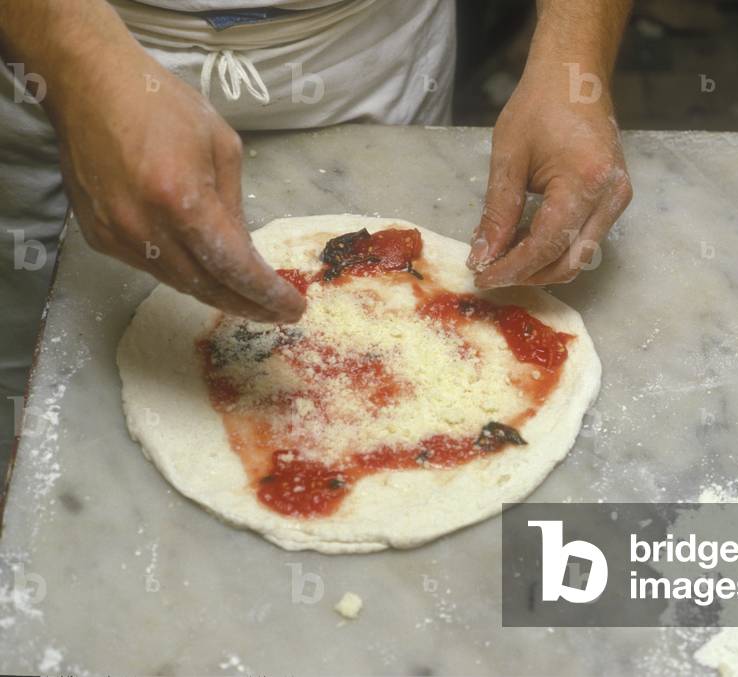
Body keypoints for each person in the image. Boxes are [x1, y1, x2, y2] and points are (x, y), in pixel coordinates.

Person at [0, 0, 633, 460]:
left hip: (366, 51)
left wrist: (574, 60)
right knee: (39, 409)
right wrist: (75, 56)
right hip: (56, 59)